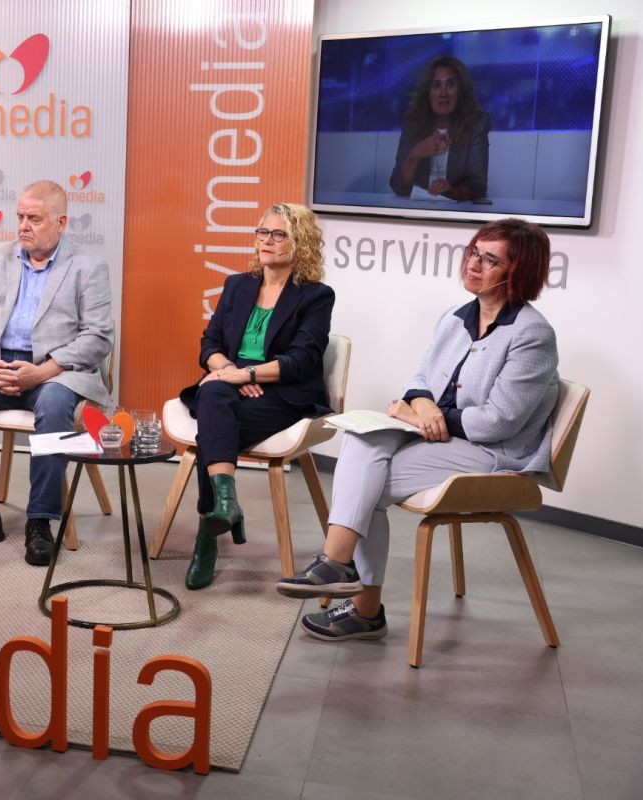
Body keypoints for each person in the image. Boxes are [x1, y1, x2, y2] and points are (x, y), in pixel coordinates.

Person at [278, 218, 558, 642]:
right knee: (361, 437)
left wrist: (414, 416)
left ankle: (354, 591)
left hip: (495, 452)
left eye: (490, 260)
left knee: (365, 486)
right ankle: (343, 573)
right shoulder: (455, 316)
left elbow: (500, 422)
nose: (473, 265)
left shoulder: (532, 334)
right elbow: (422, 378)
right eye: (473, 253)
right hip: (442, 434)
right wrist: (421, 403)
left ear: (518, 272)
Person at [0, 180, 114, 566]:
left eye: (34, 218)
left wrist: (43, 371)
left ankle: (40, 521)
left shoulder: (88, 267)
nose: (23, 226)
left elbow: (98, 337)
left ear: (61, 222)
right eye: (20, 217)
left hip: (54, 372)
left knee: (52, 409)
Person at [180, 203, 335, 590]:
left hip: (282, 393)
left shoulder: (315, 296)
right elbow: (209, 343)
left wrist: (245, 374)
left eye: (278, 234)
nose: (267, 241)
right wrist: (229, 371)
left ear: (300, 242)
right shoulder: (238, 285)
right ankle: (226, 504)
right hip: (229, 383)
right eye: (262, 232)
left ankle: (209, 532)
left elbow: (302, 359)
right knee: (214, 393)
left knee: (211, 431)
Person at [389, 56, 490, 201]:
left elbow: (478, 184)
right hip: (416, 211)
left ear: (460, 91)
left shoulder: (477, 124)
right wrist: (415, 154)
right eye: (436, 85)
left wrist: (454, 191)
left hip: (456, 214)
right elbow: (398, 186)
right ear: (428, 93)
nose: (443, 93)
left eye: (450, 84)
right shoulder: (413, 123)